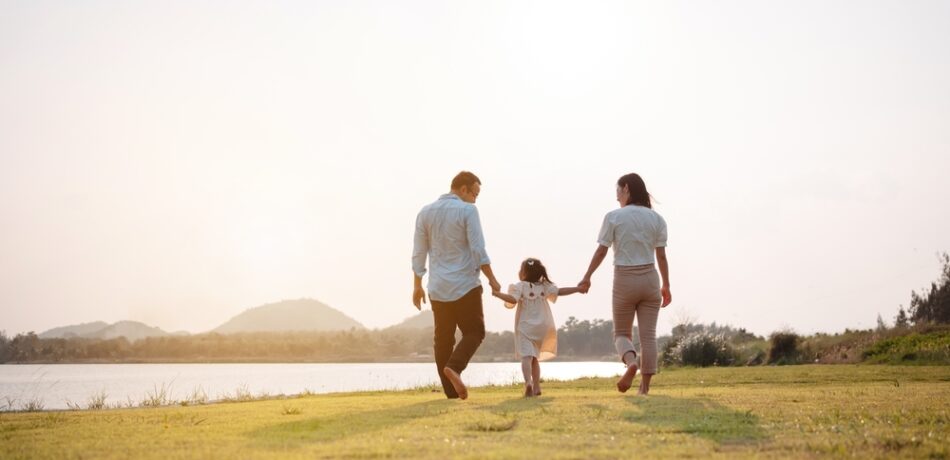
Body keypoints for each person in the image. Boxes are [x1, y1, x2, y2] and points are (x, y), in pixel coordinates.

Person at [578, 173, 671, 395]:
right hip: (650, 278)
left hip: (624, 279)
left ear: (626, 189)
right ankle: (644, 388)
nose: (616, 196)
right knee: (649, 335)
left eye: (618, 191)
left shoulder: (614, 217)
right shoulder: (657, 219)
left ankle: (631, 363)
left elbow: (602, 250)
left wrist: (587, 276)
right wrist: (666, 285)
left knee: (621, 334)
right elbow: (662, 257)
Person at [412, 171, 502, 400]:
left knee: (443, 339)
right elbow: (478, 248)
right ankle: (455, 367)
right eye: (475, 193)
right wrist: (492, 279)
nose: (475, 199)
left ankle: (451, 393)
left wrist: (417, 285)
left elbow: (419, 253)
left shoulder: (425, 212)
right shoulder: (468, 210)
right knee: (475, 331)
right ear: (463, 189)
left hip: (438, 287)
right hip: (465, 285)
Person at [491, 258, 583, 397]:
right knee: (535, 358)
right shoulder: (545, 286)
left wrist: (498, 294)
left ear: (523, 273)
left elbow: (512, 300)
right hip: (543, 326)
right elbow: (560, 291)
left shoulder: (520, 286)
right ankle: (537, 387)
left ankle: (528, 382)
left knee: (527, 357)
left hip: (526, 326)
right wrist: (577, 289)